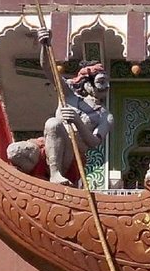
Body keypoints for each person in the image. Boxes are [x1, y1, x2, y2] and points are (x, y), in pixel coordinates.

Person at [7, 39, 113, 187]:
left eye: (107, 82)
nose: (106, 86)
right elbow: (48, 68)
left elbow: (94, 142)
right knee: (14, 151)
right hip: (47, 146)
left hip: (69, 155)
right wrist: (44, 44)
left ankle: (55, 173)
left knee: (54, 123)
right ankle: (29, 181)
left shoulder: (104, 115)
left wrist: (77, 121)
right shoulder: (69, 94)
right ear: (87, 83)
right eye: (101, 81)